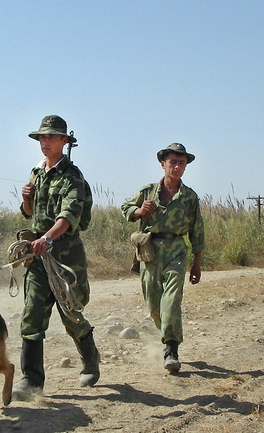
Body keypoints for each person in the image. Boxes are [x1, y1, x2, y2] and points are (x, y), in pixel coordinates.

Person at [12, 115, 100, 401]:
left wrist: (48, 238)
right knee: (32, 315)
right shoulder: (36, 174)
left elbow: (69, 217)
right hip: (38, 259)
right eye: (42, 137)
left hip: (65, 258)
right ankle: (31, 380)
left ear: (65, 141)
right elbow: (30, 214)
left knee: (71, 315)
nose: (45, 142)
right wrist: (26, 199)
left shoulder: (73, 177)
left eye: (51, 137)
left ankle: (90, 358)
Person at [121, 143, 205, 374]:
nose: (177, 167)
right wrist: (140, 211)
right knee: (154, 306)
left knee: (171, 300)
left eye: (182, 163)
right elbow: (125, 208)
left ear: (185, 166)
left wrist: (196, 265)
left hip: (177, 249)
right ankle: (167, 334)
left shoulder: (189, 197)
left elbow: (197, 232)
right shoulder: (148, 191)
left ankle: (171, 349)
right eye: (173, 162)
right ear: (163, 164)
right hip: (150, 251)